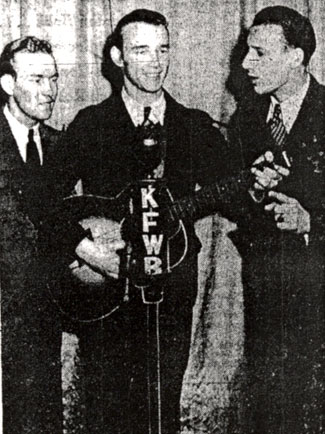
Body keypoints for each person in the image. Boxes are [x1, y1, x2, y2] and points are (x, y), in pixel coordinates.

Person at [59, 8, 234, 434]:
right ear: (117, 57)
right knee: (109, 409)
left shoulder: (193, 126)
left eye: (163, 49)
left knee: (162, 408)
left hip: (171, 286)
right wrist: (88, 250)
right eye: (141, 50)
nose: (155, 62)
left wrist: (260, 182)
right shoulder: (91, 125)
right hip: (107, 288)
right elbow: (48, 203)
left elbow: (235, 191)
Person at [228, 6, 324, 433]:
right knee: (269, 407)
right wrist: (250, 190)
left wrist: (310, 223)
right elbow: (238, 203)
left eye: (260, 54)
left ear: (296, 58)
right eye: (247, 52)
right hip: (265, 291)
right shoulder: (247, 121)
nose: (246, 64)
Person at [0, 36, 64, 433]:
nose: (50, 91)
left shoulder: (59, 146)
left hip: (45, 311)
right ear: (8, 84)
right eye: (37, 79)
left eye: (53, 78)